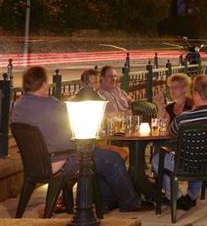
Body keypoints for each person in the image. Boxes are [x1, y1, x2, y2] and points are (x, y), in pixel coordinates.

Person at [12, 66, 152, 212]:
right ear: (42, 84)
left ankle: (105, 201)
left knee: (102, 157)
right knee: (113, 159)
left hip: (34, 164)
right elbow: (76, 122)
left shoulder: (19, 105)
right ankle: (130, 202)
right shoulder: (50, 104)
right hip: (61, 160)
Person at [153, 74, 207, 211]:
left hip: (186, 165)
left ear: (196, 94)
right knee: (198, 153)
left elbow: (170, 134)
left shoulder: (183, 118)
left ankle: (176, 197)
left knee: (158, 159)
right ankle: (191, 196)